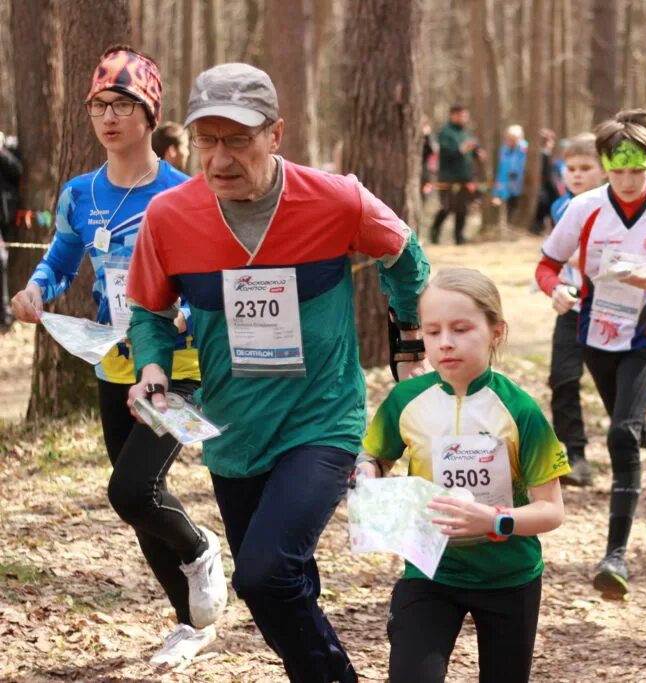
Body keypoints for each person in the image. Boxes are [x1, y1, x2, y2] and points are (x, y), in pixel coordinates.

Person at [124, 62, 431, 682]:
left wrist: (409, 339)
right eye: (206, 139)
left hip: (322, 419)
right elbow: (150, 312)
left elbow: (404, 252)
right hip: (234, 432)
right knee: (285, 585)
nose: (219, 157)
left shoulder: (336, 199)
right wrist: (152, 370)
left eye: (237, 138)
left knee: (262, 574)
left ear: (275, 135)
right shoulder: (169, 217)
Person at [9, 45, 226, 668]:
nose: (108, 116)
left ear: (149, 114)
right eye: (99, 105)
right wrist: (36, 290)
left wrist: (192, 309)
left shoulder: (183, 193)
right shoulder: (81, 194)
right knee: (139, 504)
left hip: (175, 367)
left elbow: (209, 277)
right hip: (113, 364)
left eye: (123, 104)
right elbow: (61, 260)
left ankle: (202, 549)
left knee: (132, 491)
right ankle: (189, 624)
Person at [358, 267, 568, 683]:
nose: (445, 343)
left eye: (461, 328)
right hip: (430, 572)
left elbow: (551, 511)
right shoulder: (406, 399)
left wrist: (495, 521)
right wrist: (368, 470)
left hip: (509, 576)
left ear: (496, 332)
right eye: (433, 332)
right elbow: (376, 454)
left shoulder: (519, 410)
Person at [535, 109, 646, 598]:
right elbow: (547, 265)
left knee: (620, 434)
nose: (630, 181)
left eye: (640, 170)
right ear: (605, 165)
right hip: (595, 333)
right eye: (619, 170)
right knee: (629, 429)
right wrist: (557, 292)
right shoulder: (584, 208)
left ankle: (615, 556)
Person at [547, 133, 606, 487]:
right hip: (571, 305)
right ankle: (574, 454)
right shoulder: (560, 207)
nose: (577, 175)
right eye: (571, 168)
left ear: (602, 171)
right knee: (563, 378)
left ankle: (632, 443)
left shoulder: (611, 206)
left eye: (586, 168)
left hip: (611, 308)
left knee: (611, 384)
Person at [429, 105, 482, 245]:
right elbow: (446, 152)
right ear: (453, 115)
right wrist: (462, 149)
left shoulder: (466, 133)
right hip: (448, 177)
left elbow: (471, 152)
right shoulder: (445, 133)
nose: (464, 119)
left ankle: (459, 238)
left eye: (466, 116)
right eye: (461, 116)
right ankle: (434, 233)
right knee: (447, 207)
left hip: (464, 177)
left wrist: (477, 154)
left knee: (462, 209)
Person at [0, 130, 22, 329]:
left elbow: (18, 170)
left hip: (5, 216)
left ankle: (5, 311)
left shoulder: (9, 146)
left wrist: (1, 151)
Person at [491, 124, 527, 217]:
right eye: (509, 138)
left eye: (514, 139)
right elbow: (502, 170)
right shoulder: (504, 150)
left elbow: (522, 165)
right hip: (507, 185)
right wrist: (497, 192)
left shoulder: (523, 149)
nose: (511, 141)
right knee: (509, 208)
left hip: (520, 184)